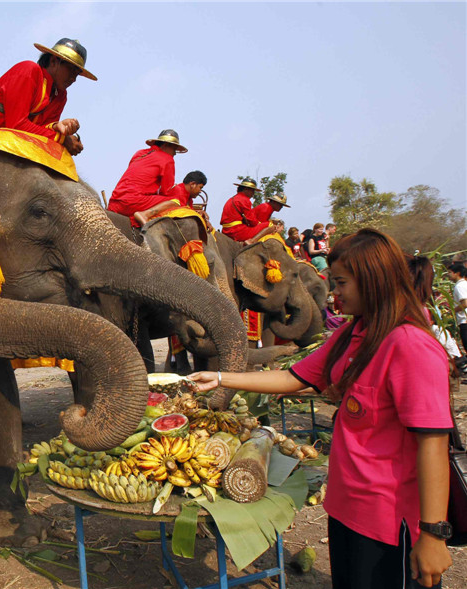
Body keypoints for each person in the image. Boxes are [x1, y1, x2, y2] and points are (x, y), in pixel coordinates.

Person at [190, 228, 454, 589]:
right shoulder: (355, 333)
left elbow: (434, 443)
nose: (334, 294)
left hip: (390, 521)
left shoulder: (410, 346)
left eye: (342, 283)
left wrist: (434, 535)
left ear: (374, 282)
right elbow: (293, 377)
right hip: (347, 509)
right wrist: (219, 377)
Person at [0, 38, 94, 160]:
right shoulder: (29, 71)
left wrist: (58, 128)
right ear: (54, 61)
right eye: (71, 69)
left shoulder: (60, 96)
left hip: (1, 154)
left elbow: (41, 134)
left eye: (77, 72)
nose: (74, 77)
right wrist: (62, 139)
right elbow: (17, 125)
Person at [105, 129, 188, 228]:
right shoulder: (167, 159)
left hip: (114, 202)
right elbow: (166, 191)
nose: (174, 154)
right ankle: (145, 215)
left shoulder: (139, 153)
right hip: (133, 202)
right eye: (174, 150)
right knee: (175, 201)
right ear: (166, 145)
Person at [219, 178, 289, 245]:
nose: (253, 193)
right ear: (246, 189)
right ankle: (252, 241)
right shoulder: (246, 200)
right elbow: (253, 222)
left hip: (227, 229)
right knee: (271, 226)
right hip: (236, 231)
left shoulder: (233, 198)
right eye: (252, 191)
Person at [128, 170, 207, 227]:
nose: (200, 191)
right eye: (200, 187)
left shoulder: (189, 199)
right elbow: (181, 211)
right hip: (151, 209)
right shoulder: (178, 191)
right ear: (192, 184)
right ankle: (145, 214)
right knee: (175, 203)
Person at [448, 262, 467, 353]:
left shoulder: (459, 286)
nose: (448, 275)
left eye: (450, 272)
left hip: (464, 320)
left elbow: (464, 303)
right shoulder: (464, 284)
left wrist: (452, 311)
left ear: (457, 273)